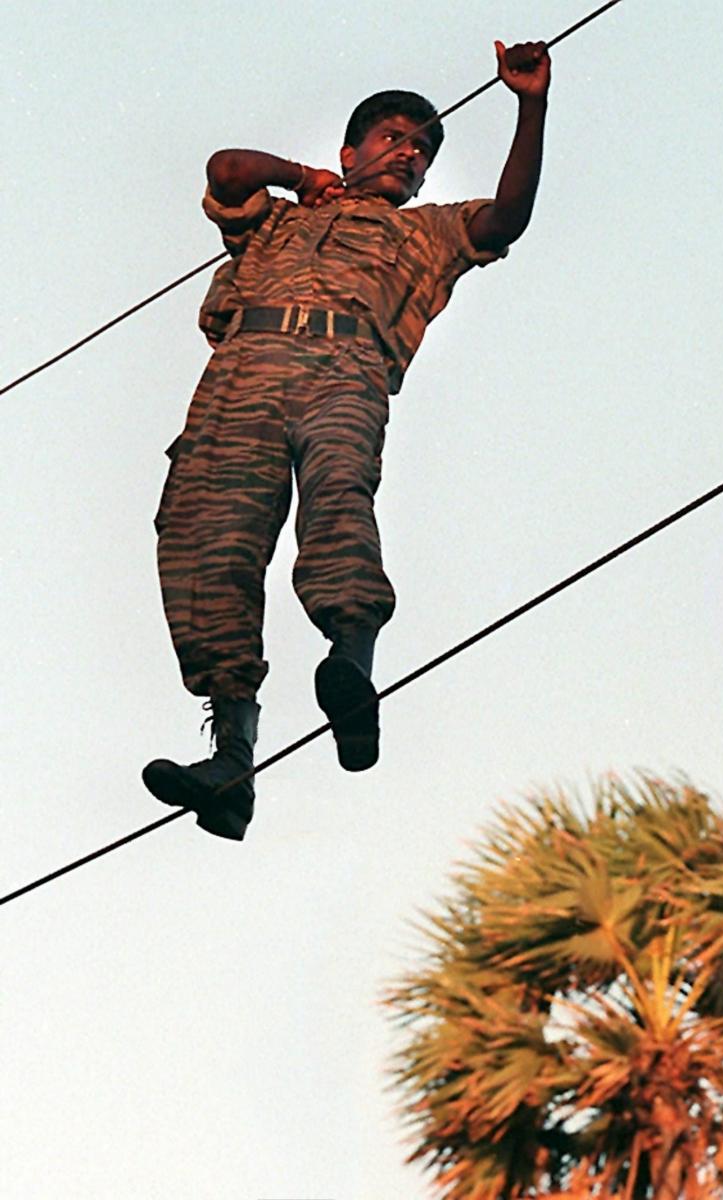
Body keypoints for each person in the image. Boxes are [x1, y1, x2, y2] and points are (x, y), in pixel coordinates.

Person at [142, 39, 551, 840]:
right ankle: (231, 761)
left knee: (338, 492)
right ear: (350, 152)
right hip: (245, 368)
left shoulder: (428, 232)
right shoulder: (278, 222)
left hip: (344, 364)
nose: (408, 154)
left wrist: (529, 104)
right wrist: (300, 180)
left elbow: (510, 217)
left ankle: (352, 672)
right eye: (392, 139)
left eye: (422, 149)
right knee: (206, 540)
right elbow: (226, 169)